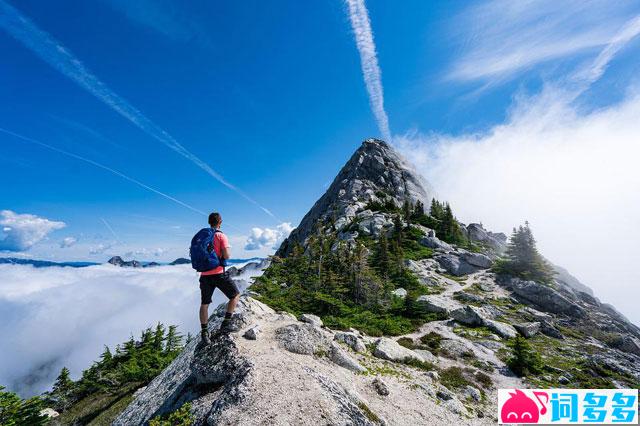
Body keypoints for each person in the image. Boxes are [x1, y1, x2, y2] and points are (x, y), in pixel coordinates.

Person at [199, 212, 240, 344]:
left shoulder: (202, 237)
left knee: (204, 304)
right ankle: (226, 323)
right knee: (235, 295)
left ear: (209, 222)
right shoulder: (221, 236)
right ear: (220, 222)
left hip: (204, 275)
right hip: (218, 273)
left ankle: (204, 333)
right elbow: (227, 255)